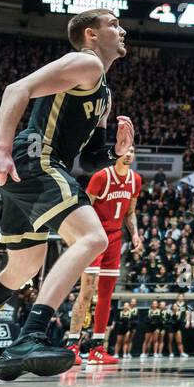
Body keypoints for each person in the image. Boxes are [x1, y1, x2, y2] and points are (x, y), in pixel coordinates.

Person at [0, 8, 133, 381]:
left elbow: (90, 157)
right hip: (36, 161)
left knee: (23, 267)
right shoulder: (86, 63)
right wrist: (1, 148)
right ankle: (30, 336)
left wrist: (117, 150)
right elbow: (16, 89)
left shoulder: (104, 92)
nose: (122, 29)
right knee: (93, 237)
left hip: (34, 168)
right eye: (113, 24)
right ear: (91, 35)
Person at [67, 150, 142, 366]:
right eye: (125, 150)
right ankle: (73, 345)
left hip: (115, 240)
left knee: (106, 295)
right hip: (95, 237)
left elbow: (130, 212)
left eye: (132, 151)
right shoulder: (101, 177)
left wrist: (135, 234)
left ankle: (97, 348)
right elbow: (83, 208)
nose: (129, 154)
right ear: (117, 153)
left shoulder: (135, 180)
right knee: (87, 291)